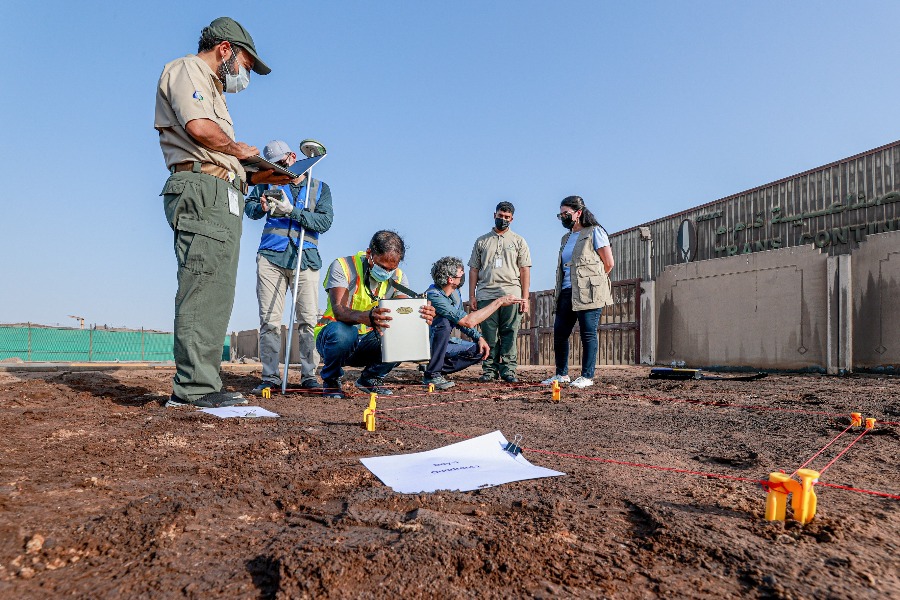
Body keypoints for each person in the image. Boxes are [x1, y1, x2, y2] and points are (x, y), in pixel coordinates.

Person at [156, 17, 294, 408]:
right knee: (203, 285)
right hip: (203, 189)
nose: (245, 75)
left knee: (216, 291)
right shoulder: (188, 70)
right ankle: (194, 389)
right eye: (247, 65)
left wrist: (265, 175)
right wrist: (240, 151)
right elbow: (199, 128)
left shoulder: (214, 88)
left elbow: (217, 148)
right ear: (225, 50)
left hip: (224, 190)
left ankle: (204, 382)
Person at [244, 140, 333, 395]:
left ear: (294, 157)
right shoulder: (267, 180)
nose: (280, 170)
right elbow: (250, 209)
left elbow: (324, 222)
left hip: (305, 260)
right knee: (269, 321)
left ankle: (309, 376)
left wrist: (292, 211)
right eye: (275, 167)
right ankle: (270, 376)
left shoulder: (320, 188)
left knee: (307, 321)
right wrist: (259, 207)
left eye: (283, 164)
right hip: (271, 258)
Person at [314, 230, 436, 398]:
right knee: (344, 332)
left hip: (368, 342)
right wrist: (367, 317)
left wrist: (419, 316)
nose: (386, 273)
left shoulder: (398, 277)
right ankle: (332, 379)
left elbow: (402, 315)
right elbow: (339, 310)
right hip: (335, 340)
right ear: (369, 254)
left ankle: (371, 378)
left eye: (392, 269)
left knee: (406, 333)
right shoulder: (344, 266)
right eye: (382, 267)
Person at [541, 196, 615, 389]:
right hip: (567, 291)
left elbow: (609, 263)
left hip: (588, 292)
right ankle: (561, 374)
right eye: (561, 215)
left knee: (588, 334)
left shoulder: (595, 232)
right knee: (560, 333)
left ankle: (587, 376)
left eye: (566, 213)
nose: (563, 217)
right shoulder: (565, 238)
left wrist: (594, 283)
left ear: (578, 213)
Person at [424, 257, 526, 390]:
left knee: (480, 350)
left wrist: (479, 338)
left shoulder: (455, 294)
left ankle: (432, 368)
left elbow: (460, 321)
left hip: (444, 345)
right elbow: (468, 321)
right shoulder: (434, 295)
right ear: (450, 279)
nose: (463, 275)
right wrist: (500, 301)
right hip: (429, 344)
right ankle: (433, 374)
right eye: (461, 273)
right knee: (444, 322)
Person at [467, 202, 532, 383]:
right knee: (489, 336)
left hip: (512, 294)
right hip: (486, 294)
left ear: (512, 219)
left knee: (510, 333)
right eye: (500, 215)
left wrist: (525, 298)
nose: (503, 219)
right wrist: (472, 295)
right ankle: (489, 370)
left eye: (507, 217)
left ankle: (509, 371)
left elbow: (525, 269)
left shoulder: (519, 241)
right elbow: (473, 269)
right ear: (494, 214)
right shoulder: (481, 241)